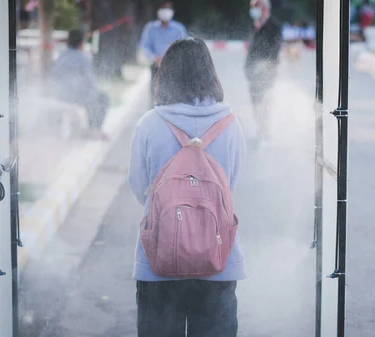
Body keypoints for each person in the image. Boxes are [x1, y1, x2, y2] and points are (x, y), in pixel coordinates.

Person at [129, 37, 246, 337]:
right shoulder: (231, 125)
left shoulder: (150, 123)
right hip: (217, 261)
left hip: (159, 261)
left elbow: (138, 184)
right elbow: (230, 182)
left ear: (165, 74)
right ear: (210, 71)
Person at [50, 29, 109, 140]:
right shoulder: (83, 58)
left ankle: (83, 129)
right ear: (82, 42)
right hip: (77, 96)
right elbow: (90, 82)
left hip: (60, 94)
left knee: (92, 96)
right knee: (102, 98)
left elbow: (54, 77)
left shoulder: (60, 57)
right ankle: (94, 130)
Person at [244, 0, 281, 140]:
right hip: (253, 74)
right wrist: (248, 69)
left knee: (266, 102)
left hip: (267, 73)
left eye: (256, 6)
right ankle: (261, 128)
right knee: (256, 102)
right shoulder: (254, 26)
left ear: (264, 8)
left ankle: (266, 130)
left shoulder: (274, 26)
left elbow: (274, 50)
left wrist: (265, 67)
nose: (253, 10)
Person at [139, 1, 187, 108]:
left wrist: (173, 59)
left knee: (175, 96)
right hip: (156, 67)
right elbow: (144, 46)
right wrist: (154, 58)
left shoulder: (179, 29)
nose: (166, 11)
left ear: (172, 11)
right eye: (163, 8)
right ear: (158, 11)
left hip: (174, 68)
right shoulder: (150, 28)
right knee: (155, 96)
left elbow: (184, 47)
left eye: (168, 8)